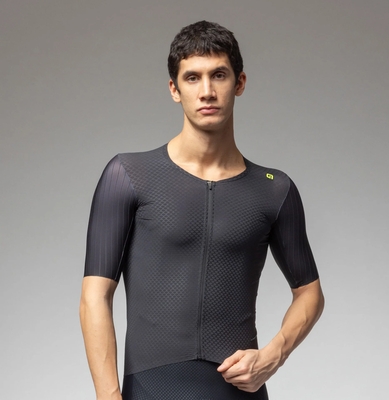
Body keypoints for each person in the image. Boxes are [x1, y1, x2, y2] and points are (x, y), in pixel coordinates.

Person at [80, 20, 324, 400]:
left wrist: (272, 356)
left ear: (239, 83)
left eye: (219, 75)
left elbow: (310, 293)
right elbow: (94, 296)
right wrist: (108, 395)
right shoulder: (128, 175)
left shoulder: (274, 190)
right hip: (151, 390)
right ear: (174, 89)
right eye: (192, 78)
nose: (207, 91)